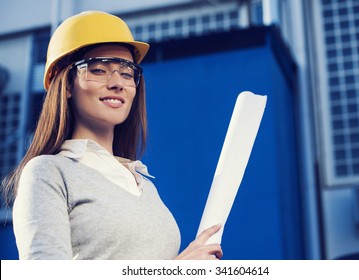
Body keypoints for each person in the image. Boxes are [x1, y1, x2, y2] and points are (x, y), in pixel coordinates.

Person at [2, 11, 222, 260]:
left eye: (127, 73)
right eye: (98, 70)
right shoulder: (47, 172)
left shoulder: (143, 185)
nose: (118, 82)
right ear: (65, 85)